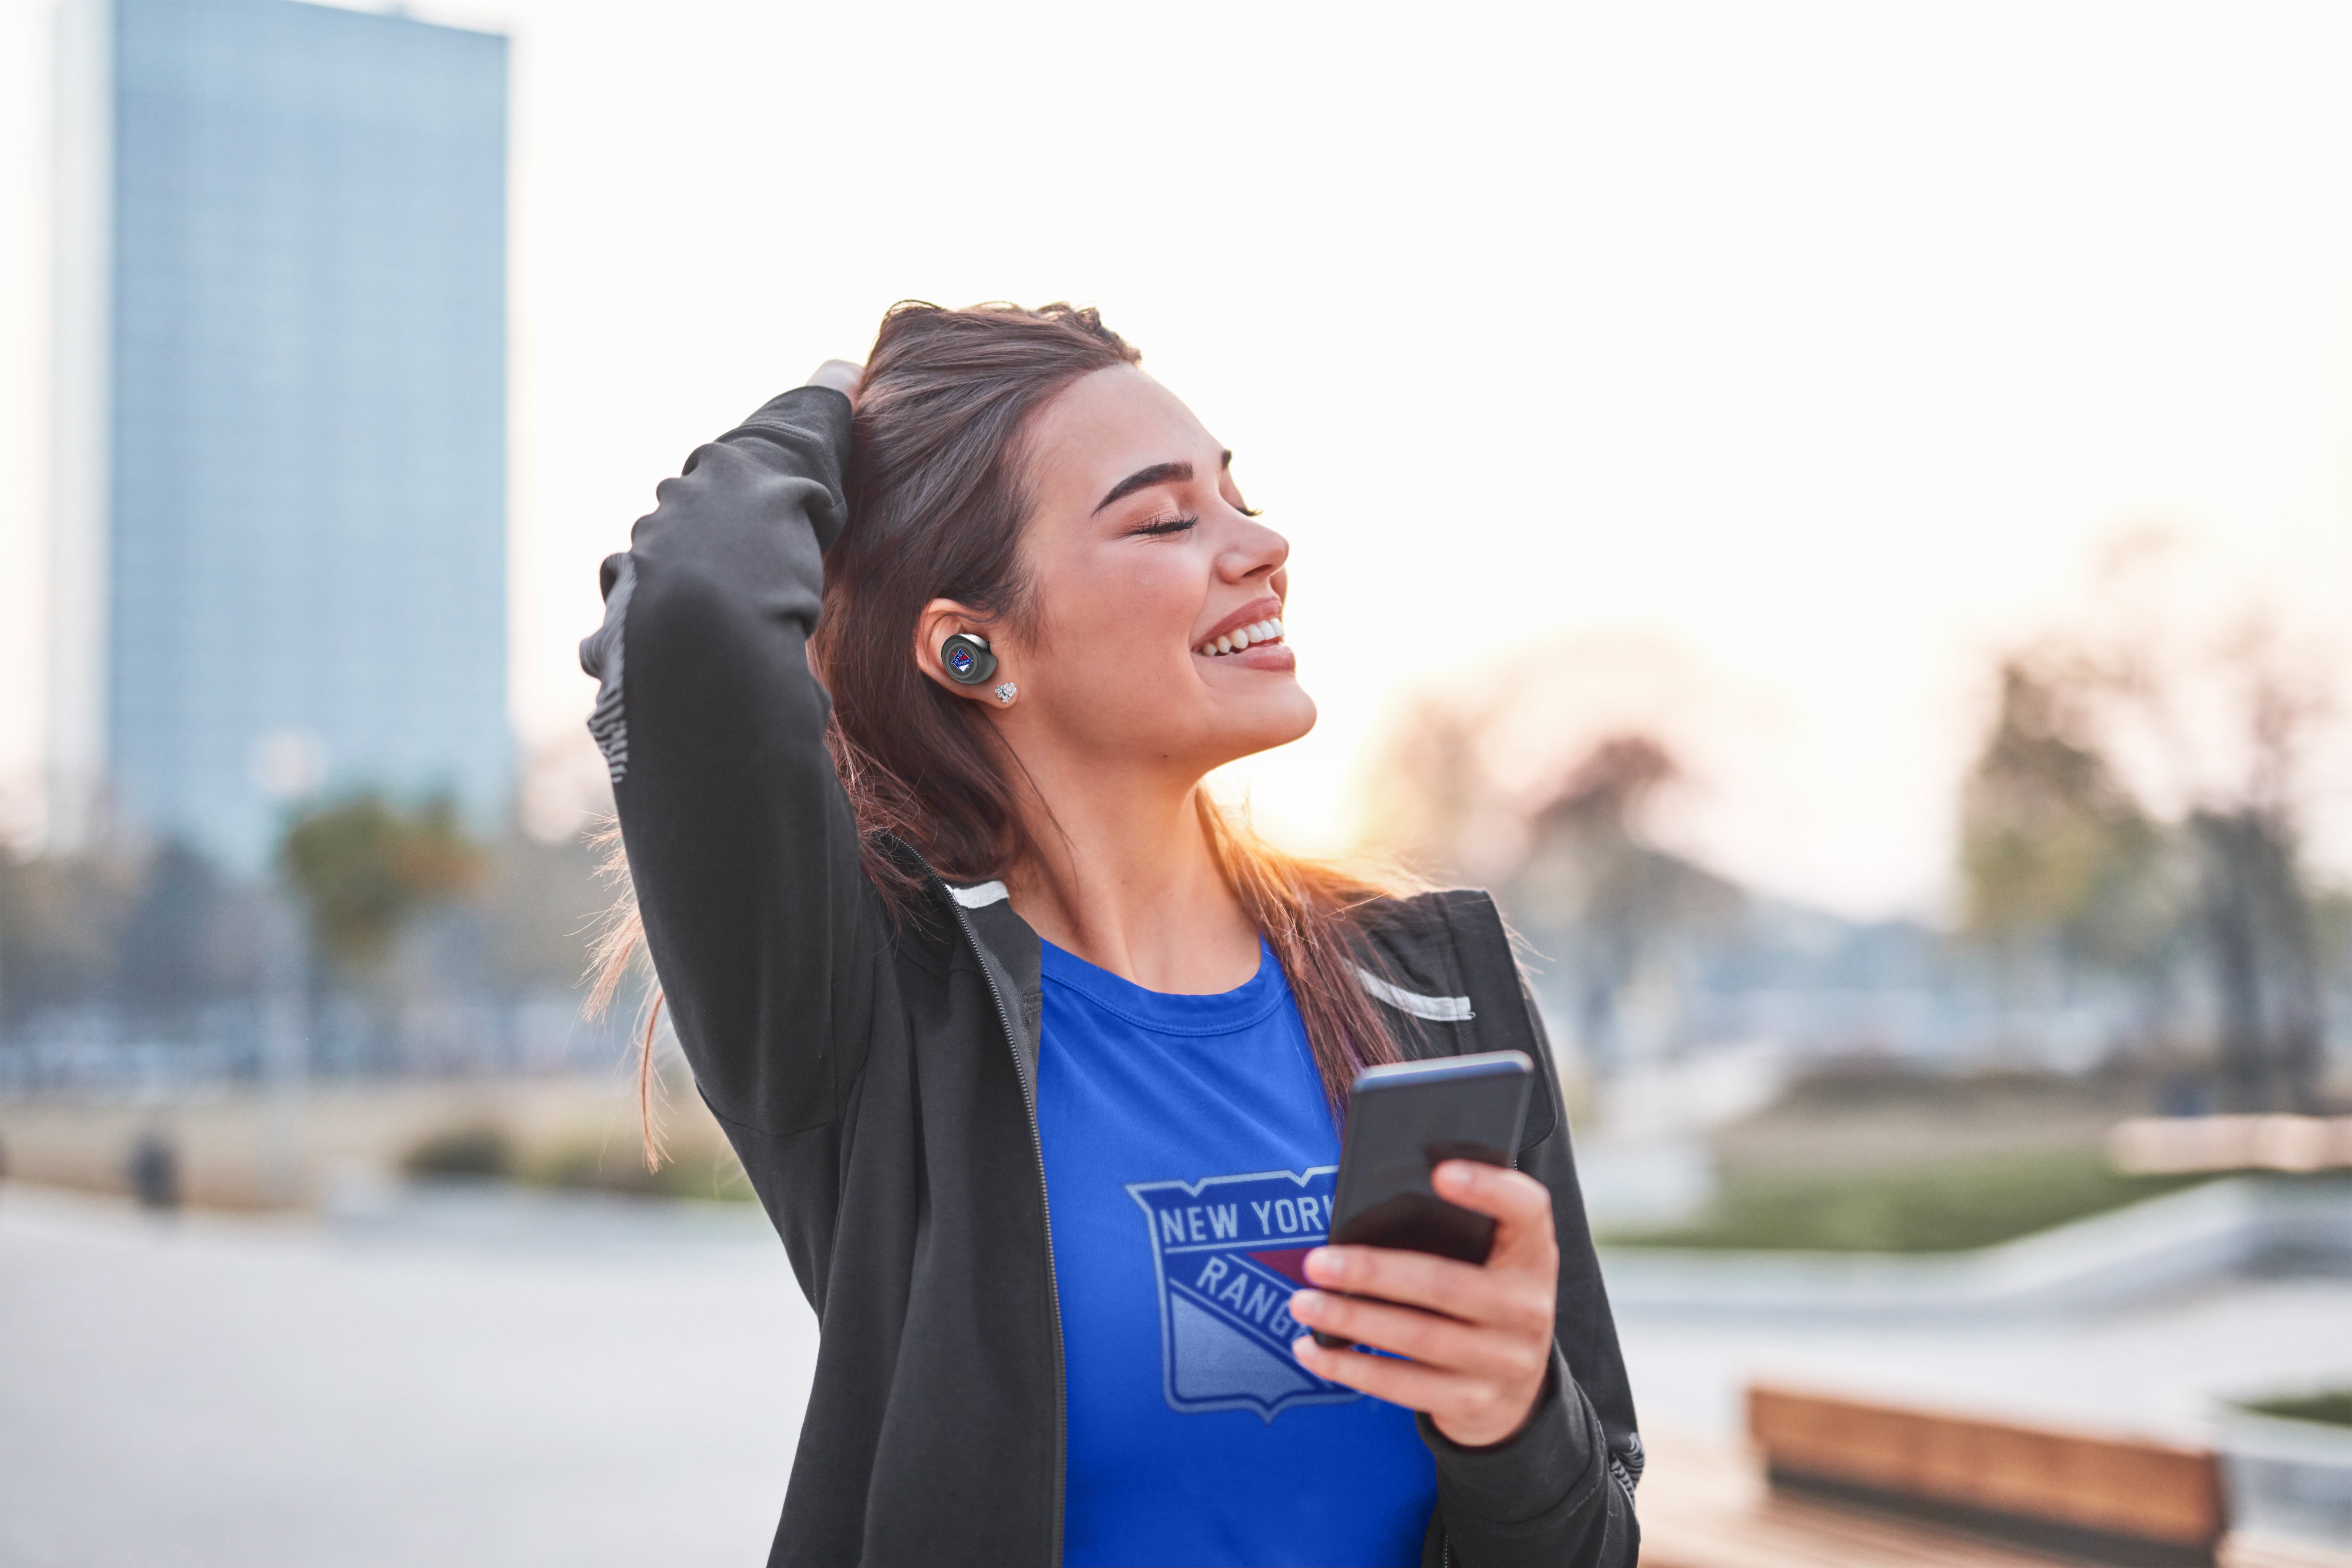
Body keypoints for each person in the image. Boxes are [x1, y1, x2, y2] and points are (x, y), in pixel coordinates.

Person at [583, 302, 1641, 1567]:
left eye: (1238, 494)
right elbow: (692, 607)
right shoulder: (873, 1014)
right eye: (1166, 517)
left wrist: (1513, 1418)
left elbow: (1591, 1542)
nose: (1262, 544)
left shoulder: (1426, 985)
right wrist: (847, 394)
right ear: (971, 648)